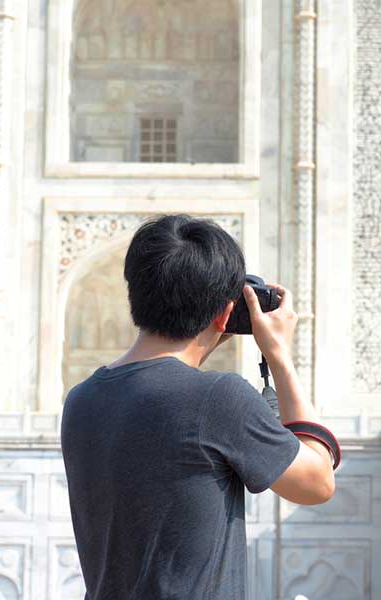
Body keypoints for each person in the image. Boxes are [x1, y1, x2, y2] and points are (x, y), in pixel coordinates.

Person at [60, 215, 336, 599]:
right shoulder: (219, 398)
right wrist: (279, 355)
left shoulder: (81, 400)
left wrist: (209, 334)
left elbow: (167, 396)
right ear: (225, 314)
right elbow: (317, 483)